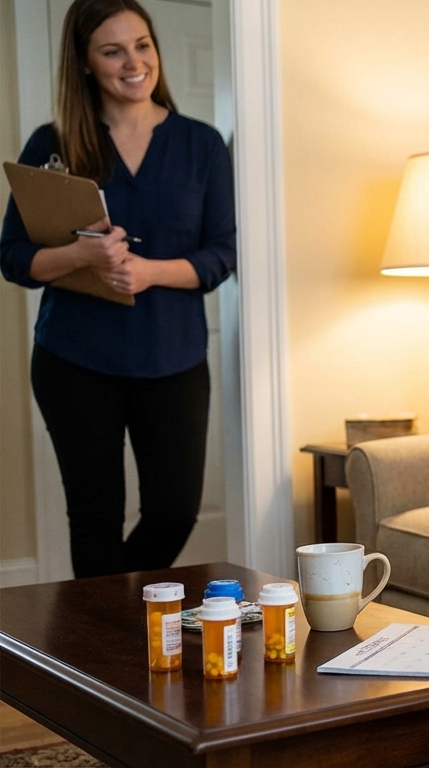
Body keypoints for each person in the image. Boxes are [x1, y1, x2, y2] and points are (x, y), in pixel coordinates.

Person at [1, 0, 235, 578]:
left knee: (175, 511)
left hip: (173, 358)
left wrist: (150, 271)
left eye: (142, 45)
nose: (134, 62)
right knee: (94, 517)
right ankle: (107, 653)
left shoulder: (201, 145)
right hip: (75, 360)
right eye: (112, 51)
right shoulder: (52, 145)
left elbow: (223, 254)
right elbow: (13, 257)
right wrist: (80, 254)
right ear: (84, 63)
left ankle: (102, 620)